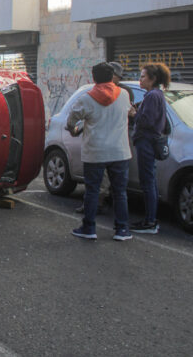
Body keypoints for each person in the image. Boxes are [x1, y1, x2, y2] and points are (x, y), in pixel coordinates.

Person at [67, 62, 133, 241]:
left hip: (95, 152)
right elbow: (130, 112)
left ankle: (89, 227)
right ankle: (122, 230)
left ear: (93, 77)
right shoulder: (124, 95)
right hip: (120, 152)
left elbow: (72, 120)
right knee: (120, 192)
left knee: (92, 191)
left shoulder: (87, 98)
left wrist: (72, 128)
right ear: (112, 77)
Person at [129, 63, 170, 234]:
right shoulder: (153, 95)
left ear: (152, 79)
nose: (140, 79)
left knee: (148, 181)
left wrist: (134, 114)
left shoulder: (153, 96)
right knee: (148, 180)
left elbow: (147, 121)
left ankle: (150, 221)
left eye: (143, 76)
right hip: (146, 141)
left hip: (147, 141)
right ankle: (149, 219)